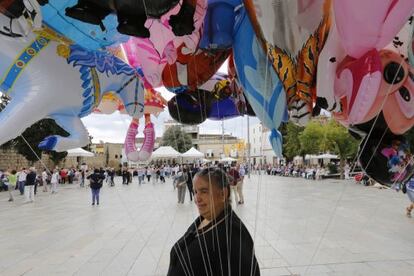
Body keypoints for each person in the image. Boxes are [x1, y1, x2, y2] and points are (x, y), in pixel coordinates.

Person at [167, 167, 260, 276]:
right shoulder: (206, 218)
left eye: (204, 191)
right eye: (195, 191)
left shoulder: (234, 236)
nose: (197, 198)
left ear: (223, 194)